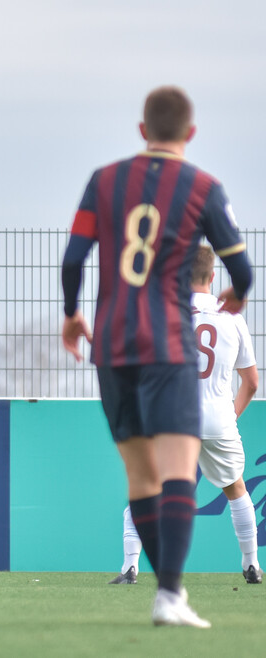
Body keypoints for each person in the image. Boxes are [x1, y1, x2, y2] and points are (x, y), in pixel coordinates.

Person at [61, 86, 253, 628]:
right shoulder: (203, 186)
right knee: (176, 472)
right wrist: (236, 295)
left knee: (140, 476)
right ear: (189, 134)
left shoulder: (104, 181)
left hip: (113, 344)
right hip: (167, 344)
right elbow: (241, 270)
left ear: (142, 130)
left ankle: (165, 588)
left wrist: (73, 313)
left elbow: (74, 257)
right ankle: (169, 593)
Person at [111, 245, 260, 586]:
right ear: (211, 277)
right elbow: (251, 382)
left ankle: (130, 568)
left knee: (147, 487)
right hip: (218, 419)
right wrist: (230, 415)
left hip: (173, 418)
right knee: (236, 488)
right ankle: (251, 566)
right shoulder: (233, 318)